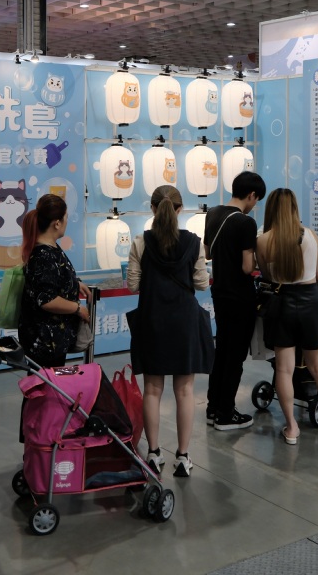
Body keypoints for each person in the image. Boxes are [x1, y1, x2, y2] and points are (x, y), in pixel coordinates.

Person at [126, 186, 213, 477]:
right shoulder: (193, 243)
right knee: (185, 391)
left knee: (152, 390)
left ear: (153, 209)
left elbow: (133, 285)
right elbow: (202, 284)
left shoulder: (141, 242)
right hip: (184, 322)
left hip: (152, 320)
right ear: (179, 209)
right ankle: (183, 456)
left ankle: (153, 453)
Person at [256, 189, 318, 444]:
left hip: (281, 305)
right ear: (294, 208)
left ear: (271, 210)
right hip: (311, 304)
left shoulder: (263, 241)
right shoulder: (311, 236)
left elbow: (266, 277)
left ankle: (291, 428)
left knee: (284, 370)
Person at [203, 172, 266, 431]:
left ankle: (213, 407)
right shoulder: (245, 222)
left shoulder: (213, 213)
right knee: (235, 355)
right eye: (256, 199)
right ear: (251, 195)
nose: (254, 205)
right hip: (241, 296)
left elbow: (208, 252)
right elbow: (247, 267)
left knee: (222, 351)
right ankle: (226, 414)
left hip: (219, 293)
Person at [18, 194, 92, 367]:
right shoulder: (43, 255)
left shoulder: (50, 249)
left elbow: (53, 278)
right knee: (44, 382)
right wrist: (78, 308)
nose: (67, 222)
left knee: (50, 381)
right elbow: (47, 299)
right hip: (44, 340)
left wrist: (74, 284)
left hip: (53, 338)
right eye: (66, 218)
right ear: (57, 223)